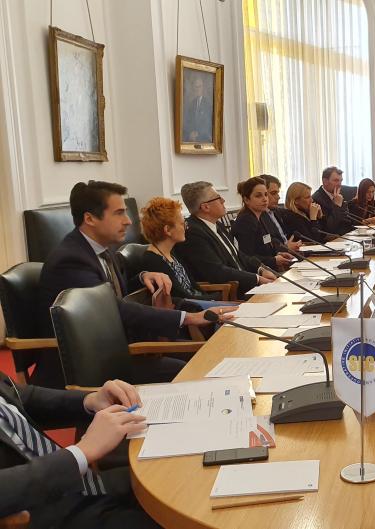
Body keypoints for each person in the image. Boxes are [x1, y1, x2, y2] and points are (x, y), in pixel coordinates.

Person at [38, 181, 234, 387]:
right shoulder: (71, 260)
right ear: (90, 218)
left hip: (116, 349)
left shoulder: (99, 249)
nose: (128, 221)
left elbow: (116, 289)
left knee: (204, 360)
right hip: (89, 367)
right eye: (119, 213)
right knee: (194, 368)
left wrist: (143, 275)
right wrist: (189, 317)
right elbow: (112, 309)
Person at [0, 376, 159, 527]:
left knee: (158, 480)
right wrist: (79, 453)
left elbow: (21, 397)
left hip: (77, 482)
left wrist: (90, 400)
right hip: (34, 513)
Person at [175, 181, 276, 298]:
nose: (223, 200)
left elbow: (237, 254)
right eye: (218, 198)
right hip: (230, 294)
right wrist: (257, 279)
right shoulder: (193, 233)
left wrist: (261, 269)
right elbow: (217, 271)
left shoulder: (217, 224)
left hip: (247, 286)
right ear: (205, 207)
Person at [139, 197, 236, 308]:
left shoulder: (171, 252)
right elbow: (181, 296)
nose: (186, 227)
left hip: (200, 304)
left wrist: (213, 299)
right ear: (168, 230)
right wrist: (214, 299)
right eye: (182, 223)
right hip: (192, 310)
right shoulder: (153, 260)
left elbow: (192, 287)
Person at [231, 177, 295, 270]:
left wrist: (278, 254)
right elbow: (247, 258)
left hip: (268, 269)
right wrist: (273, 260)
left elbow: (264, 246)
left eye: (265, 194)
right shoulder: (246, 221)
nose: (265, 199)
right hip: (257, 274)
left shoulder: (261, 216)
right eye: (258, 196)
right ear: (246, 200)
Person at [258, 174, 301, 252]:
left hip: (289, 253)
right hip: (279, 255)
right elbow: (266, 245)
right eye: (273, 193)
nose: (278, 197)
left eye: (278, 193)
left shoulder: (276, 211)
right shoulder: (258, 216)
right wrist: (286, 247)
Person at [313, 166, 354, 234]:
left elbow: (348, 222)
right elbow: (329, 228)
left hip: (346, 235)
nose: (340, 184)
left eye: (341, 181)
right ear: (325, 181)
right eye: (336, 180)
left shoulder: (340, 194)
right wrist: (337, 205)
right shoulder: (316, 199)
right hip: (332, 238)